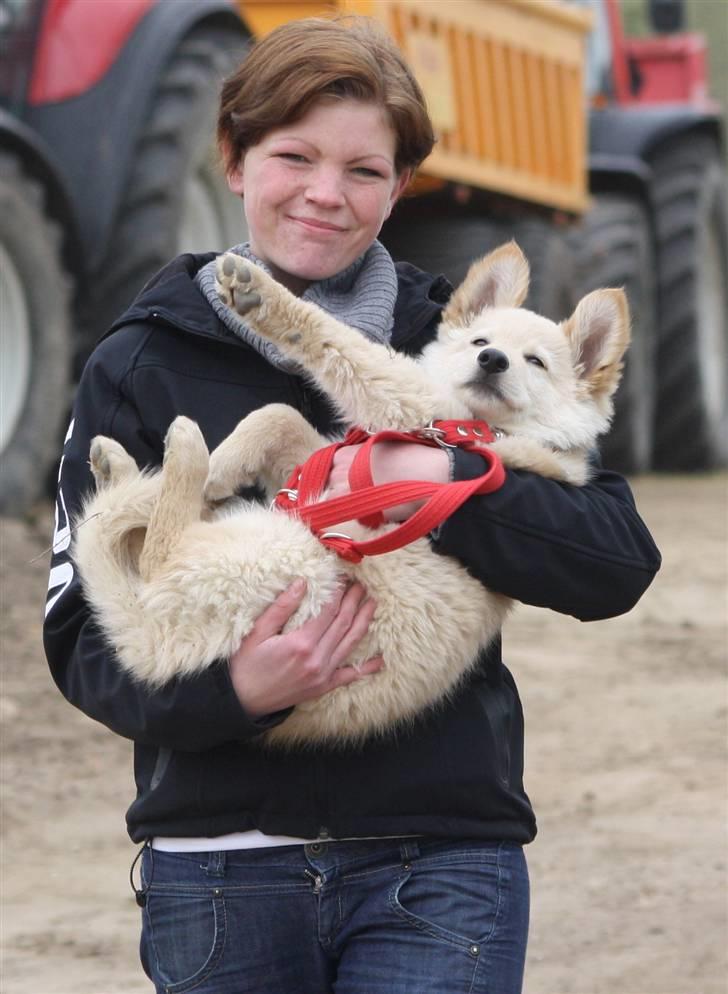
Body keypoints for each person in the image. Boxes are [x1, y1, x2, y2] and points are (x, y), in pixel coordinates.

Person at [43, 16, 661, 994]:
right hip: (218, 873)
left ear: (400, 186)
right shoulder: (138, 360)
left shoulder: (465, 347)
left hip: (438, 861)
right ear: (233, 160)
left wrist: (440, 484)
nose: (326, 195)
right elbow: (81, 636)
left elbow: (614, 561)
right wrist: (237, 692)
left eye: (364, 171)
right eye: (293, 156)